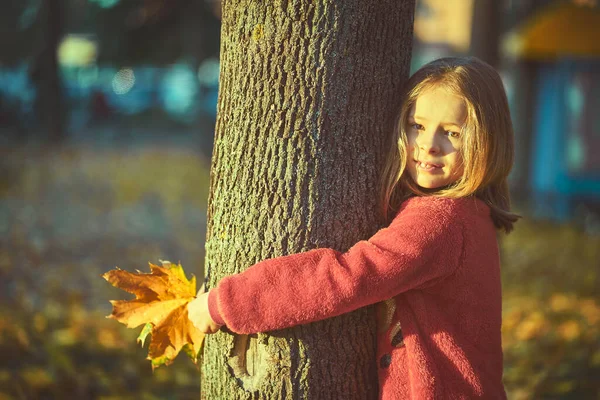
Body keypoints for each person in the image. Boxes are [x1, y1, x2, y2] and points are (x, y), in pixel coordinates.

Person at [187, 56, 520, 399]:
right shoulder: (470, 215)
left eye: (451, 133)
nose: (429, 143)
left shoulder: (440, 221)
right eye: (416, 125)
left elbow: (346, 277)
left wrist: (227, 302)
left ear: (487, 142)